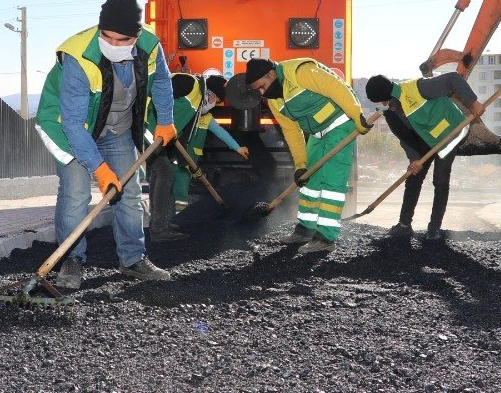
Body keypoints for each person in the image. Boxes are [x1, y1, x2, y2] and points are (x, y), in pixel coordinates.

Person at [35, 0, 177, 290]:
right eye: (107, 37)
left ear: (136, 37)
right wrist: (99, 170)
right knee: (75, 195)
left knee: (130, 194)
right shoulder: (78, 57)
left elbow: (162, 81)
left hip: (117, 129)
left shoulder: (151, 46)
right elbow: (73, 124)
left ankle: (133, 259)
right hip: (70, 130)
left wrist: (165, 120)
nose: (113, 45)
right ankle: (72, 260)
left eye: (122, 40)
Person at [245, 57, 371, 254]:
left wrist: (357, 115)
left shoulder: (300, 72)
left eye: (262, 86)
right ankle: (304, 230)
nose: (262, 93)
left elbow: (336, 88)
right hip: (317, 134)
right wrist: (300, 164)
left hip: (340, 126)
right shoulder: (274, 101)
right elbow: (291, 132)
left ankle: (326, 237)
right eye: (258, 90)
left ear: (271, 74)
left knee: (332, 184)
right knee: (308, 181)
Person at [363, 52, 485, 241]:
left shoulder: (417, 88)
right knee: (413, 177)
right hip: (426, 139)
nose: (382, 104)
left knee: (440, 180)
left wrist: (473, 102)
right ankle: (404, 225)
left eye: (381, 100)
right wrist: (414, 159)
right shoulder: (392, 113)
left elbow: (453, 79)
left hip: (450, 133)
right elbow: (405, 139)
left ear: (384, 95)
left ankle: (434, 229)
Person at [144, 73, 247, 237]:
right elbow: (157, 92)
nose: (214, 105)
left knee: (163, 173)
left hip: (161, 139)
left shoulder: (197, 104)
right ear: (212, 94)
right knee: (165, 173)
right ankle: (159, 228)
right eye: (217, 102)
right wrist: (160, 123)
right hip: (151, 132)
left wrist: (187, 163)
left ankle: (161, 224)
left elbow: (183, 137)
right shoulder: (189, 83)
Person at [170, 75, 249, 212]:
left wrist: (237, 147)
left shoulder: (206, 118)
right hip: (177, 158)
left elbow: (221, 132)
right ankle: (176, 217)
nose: (214, 104)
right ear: (208, 94)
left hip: (189, 161)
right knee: (176, 188)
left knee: (180, 188)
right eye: (215, 100)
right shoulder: (186, 111)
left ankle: (177, 216)